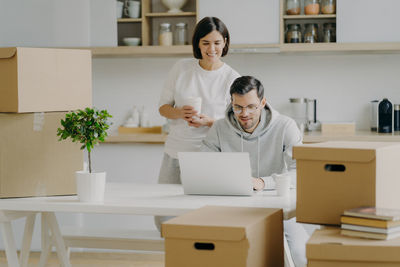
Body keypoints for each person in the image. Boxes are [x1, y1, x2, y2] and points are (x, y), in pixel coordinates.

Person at [201, 76, 309, 267]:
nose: (244, 113)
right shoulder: (219, 128)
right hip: (231, 207)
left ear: (263, 103)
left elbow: (301, 172)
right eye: (238, 107)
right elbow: (203, 166)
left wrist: (262, 182)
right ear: (231, 103)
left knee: (300, 256)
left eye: (251, 106)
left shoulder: (285, 126)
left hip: (277, 206)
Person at [155, 17, 240, 228]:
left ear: (225, 43)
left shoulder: (232, 78)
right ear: (197, 44)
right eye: (206, 43)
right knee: (163, 215)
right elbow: (163, 108)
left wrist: (210, 121)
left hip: (209, 155)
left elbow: (237, 123)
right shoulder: (182, 68)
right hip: (176, 151)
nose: (212, 49)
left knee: (204, 216)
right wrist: (179, 113)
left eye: (217, 43)